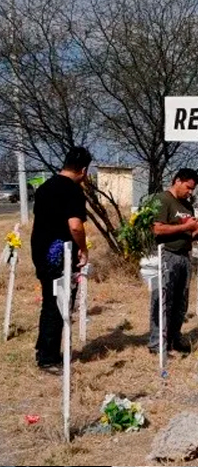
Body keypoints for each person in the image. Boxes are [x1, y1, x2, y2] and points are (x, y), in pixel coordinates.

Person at [31, 147, 92, 373]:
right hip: (60, 256)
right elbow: (75, 225)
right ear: (84, 170)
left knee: (50, 301)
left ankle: (45, 349)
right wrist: (83, 249)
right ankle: (48, 358)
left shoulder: (45, 187)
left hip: (42, 250)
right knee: (59, 304)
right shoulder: (73, 191)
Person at [148, 168, 198, 355]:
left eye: (193, 189)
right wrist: (185, 226)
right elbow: (157, 229)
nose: (190, 192)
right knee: (164, 300)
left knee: (181, 302)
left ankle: (174, 338)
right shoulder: (162, 200)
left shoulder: (187, 206)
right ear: (178, 181)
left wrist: (196, 232)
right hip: (166, 254)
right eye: (188, 187)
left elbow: (187, 233)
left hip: (184, 255)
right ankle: (158, 343)